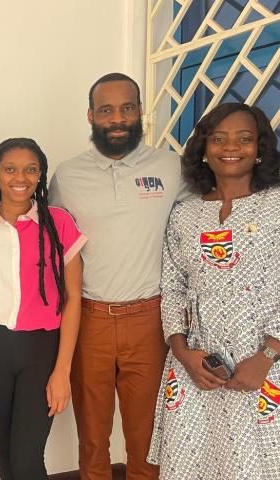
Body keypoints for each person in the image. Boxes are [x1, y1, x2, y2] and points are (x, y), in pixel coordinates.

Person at [49, 72, 187, 480]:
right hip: (88, 318)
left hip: (149, 319)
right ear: (91, 116)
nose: (117, 118)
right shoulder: (66, 175)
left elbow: (194, 231)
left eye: (127, 108)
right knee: (92, 438)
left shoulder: (170, 166)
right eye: (106, 110)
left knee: (147, 438)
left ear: (140, 112)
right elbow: (53, 244)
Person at [147, 102, 280, 479]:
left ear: (260, 149)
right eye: (218, 139)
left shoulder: (277, 205)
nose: (230, 147)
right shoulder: (185, 214)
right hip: (197, 367)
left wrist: (268, 355)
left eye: (244, 139)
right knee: (193, 466)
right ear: (204, 150)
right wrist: (182, 352)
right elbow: (172, 287)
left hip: (265, 366)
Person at [0, 138, 85, 479]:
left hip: (41, 349)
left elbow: (73, 297)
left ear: (40, 174)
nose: (21, 177)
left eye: (31, 169)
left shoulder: (58, 223)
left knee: (27, 457)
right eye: (11, 169)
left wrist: (62, 371)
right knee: (7, 446)